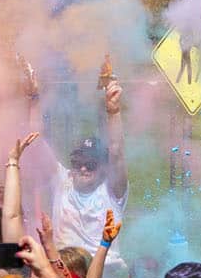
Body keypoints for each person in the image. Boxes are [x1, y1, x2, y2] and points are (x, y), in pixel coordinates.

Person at [22, 66, 128, 258]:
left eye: (90, 163)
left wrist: (114, 112)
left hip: (105, 274)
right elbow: (35, 142)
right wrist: (34, 98)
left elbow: (117, 151)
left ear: (103, 168)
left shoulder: (112, 191)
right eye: (78, 162)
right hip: (67, 271)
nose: (83, 168)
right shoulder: (64, 180)